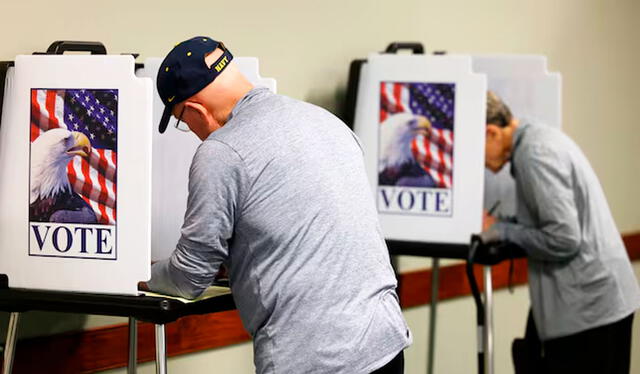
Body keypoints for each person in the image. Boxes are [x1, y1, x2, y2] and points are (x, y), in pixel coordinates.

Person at [145, 36, 412, 374]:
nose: (193, 131)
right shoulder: (327, 122)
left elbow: (188, 278)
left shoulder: (222, 151)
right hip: (384, 344)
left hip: (314, 359)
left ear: (196, 109)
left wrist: (141, 274)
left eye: (184, 120)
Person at [482, 91, 640, 373]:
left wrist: (502, 231)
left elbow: (564, 238)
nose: (478, 162)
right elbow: (551, 218)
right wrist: (503, 223)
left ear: (492, 132)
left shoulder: (534, 154)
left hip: (590, 312)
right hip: (597, 304)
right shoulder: (539, 139)